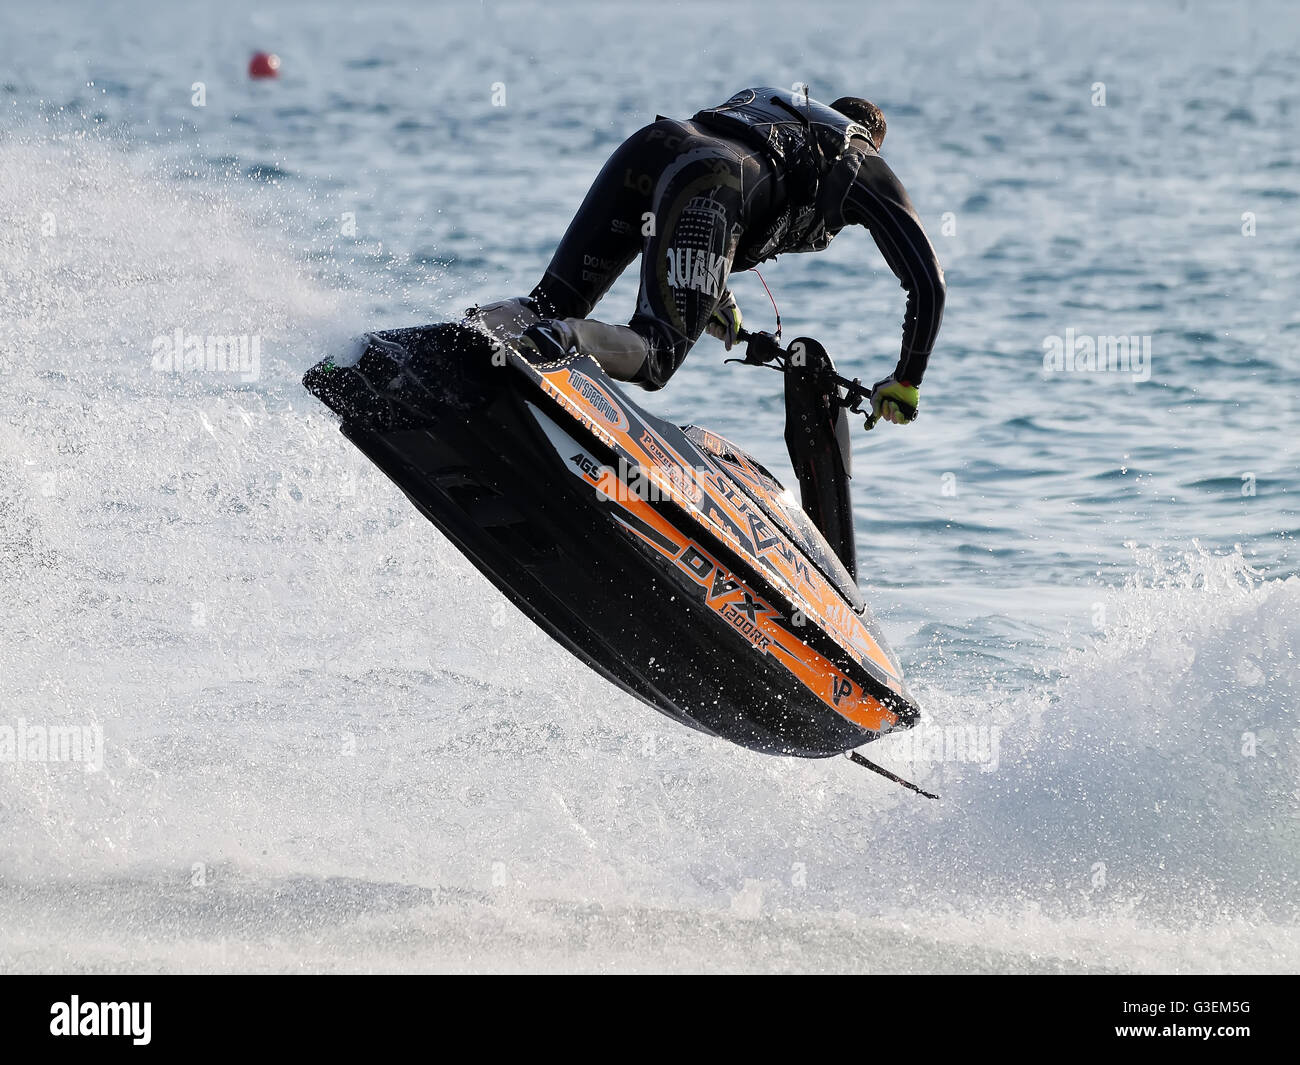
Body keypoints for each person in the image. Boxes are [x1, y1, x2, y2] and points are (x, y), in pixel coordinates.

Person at [518, 86, 946, 428]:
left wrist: (715, 296)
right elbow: (928, 282)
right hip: (714, 177)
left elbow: (699, 195)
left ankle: (480, 334)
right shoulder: (860, 158)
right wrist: (907, 378)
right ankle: (564, 339)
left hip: (652, 145)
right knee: (658, 352)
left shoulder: (782, 111)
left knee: (548, 303)